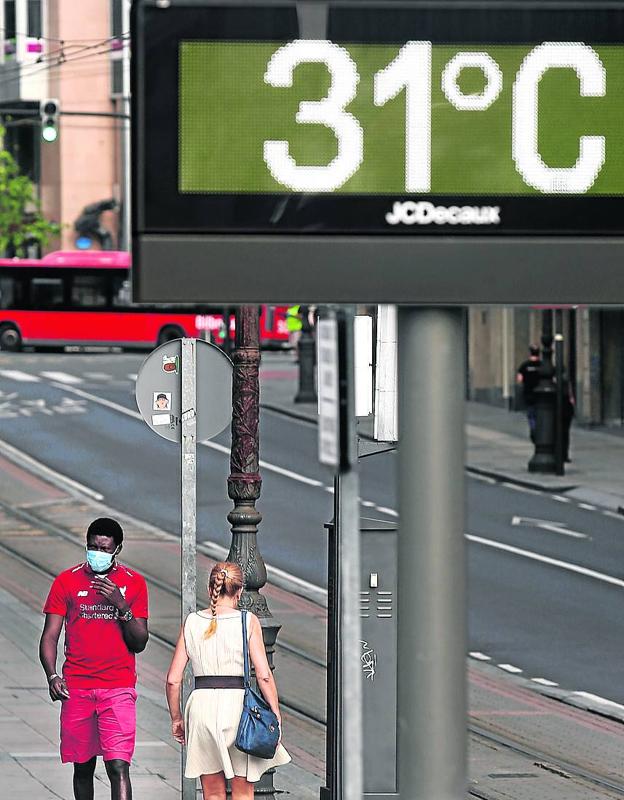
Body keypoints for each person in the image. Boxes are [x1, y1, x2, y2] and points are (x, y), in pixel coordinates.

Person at [39, 517, 149, 800]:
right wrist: (52, 675)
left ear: (117, 549)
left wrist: (121, 604)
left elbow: (139, 642)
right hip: (77, 688)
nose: (97, 553)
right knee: (83, 767)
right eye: (92, 547)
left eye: (104, 548)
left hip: (118, 688)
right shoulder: (67, 581)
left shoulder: (133, 583)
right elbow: (50, 635)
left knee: (117, 766)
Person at [166, 561, 290, 800]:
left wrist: (177, 718)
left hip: (201, 708)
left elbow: (173, 680)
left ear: (210, 587)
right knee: (243, 793)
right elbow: (263, 675)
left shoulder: (192, 622)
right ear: (240, 591)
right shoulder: (247, 621)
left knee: (212, 793)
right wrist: (275, 713)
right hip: (239, 709)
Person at [516, 345, 542, 442]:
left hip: (528, 393)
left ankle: (533, 428)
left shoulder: (525, 365)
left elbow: (519, 379)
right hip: (540, 394)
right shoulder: (542, 365)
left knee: (531, 414)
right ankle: (539, 429)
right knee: (540, 412)